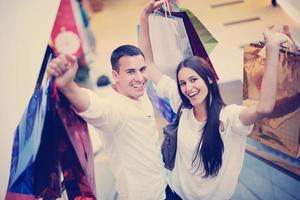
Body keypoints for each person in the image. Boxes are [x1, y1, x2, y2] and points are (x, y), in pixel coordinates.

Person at [139, 1, 292, 199]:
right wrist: (144, 17)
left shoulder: (230, 118)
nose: (188, 88)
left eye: (194, 80)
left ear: (209, 79)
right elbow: (149, 64)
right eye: (183, 83)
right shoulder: (182, 104)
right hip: (174, 194)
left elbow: (265, 107)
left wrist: (272, 50)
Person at [47, 45, 168, 199]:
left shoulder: (138, 92)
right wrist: (67, 85)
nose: (140, 78)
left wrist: (145, 19)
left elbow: (148, 55)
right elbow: (93, 106)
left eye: (142, 70)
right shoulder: (114, 111)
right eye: (131, 72)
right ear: (115, 75)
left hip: (163, 185)